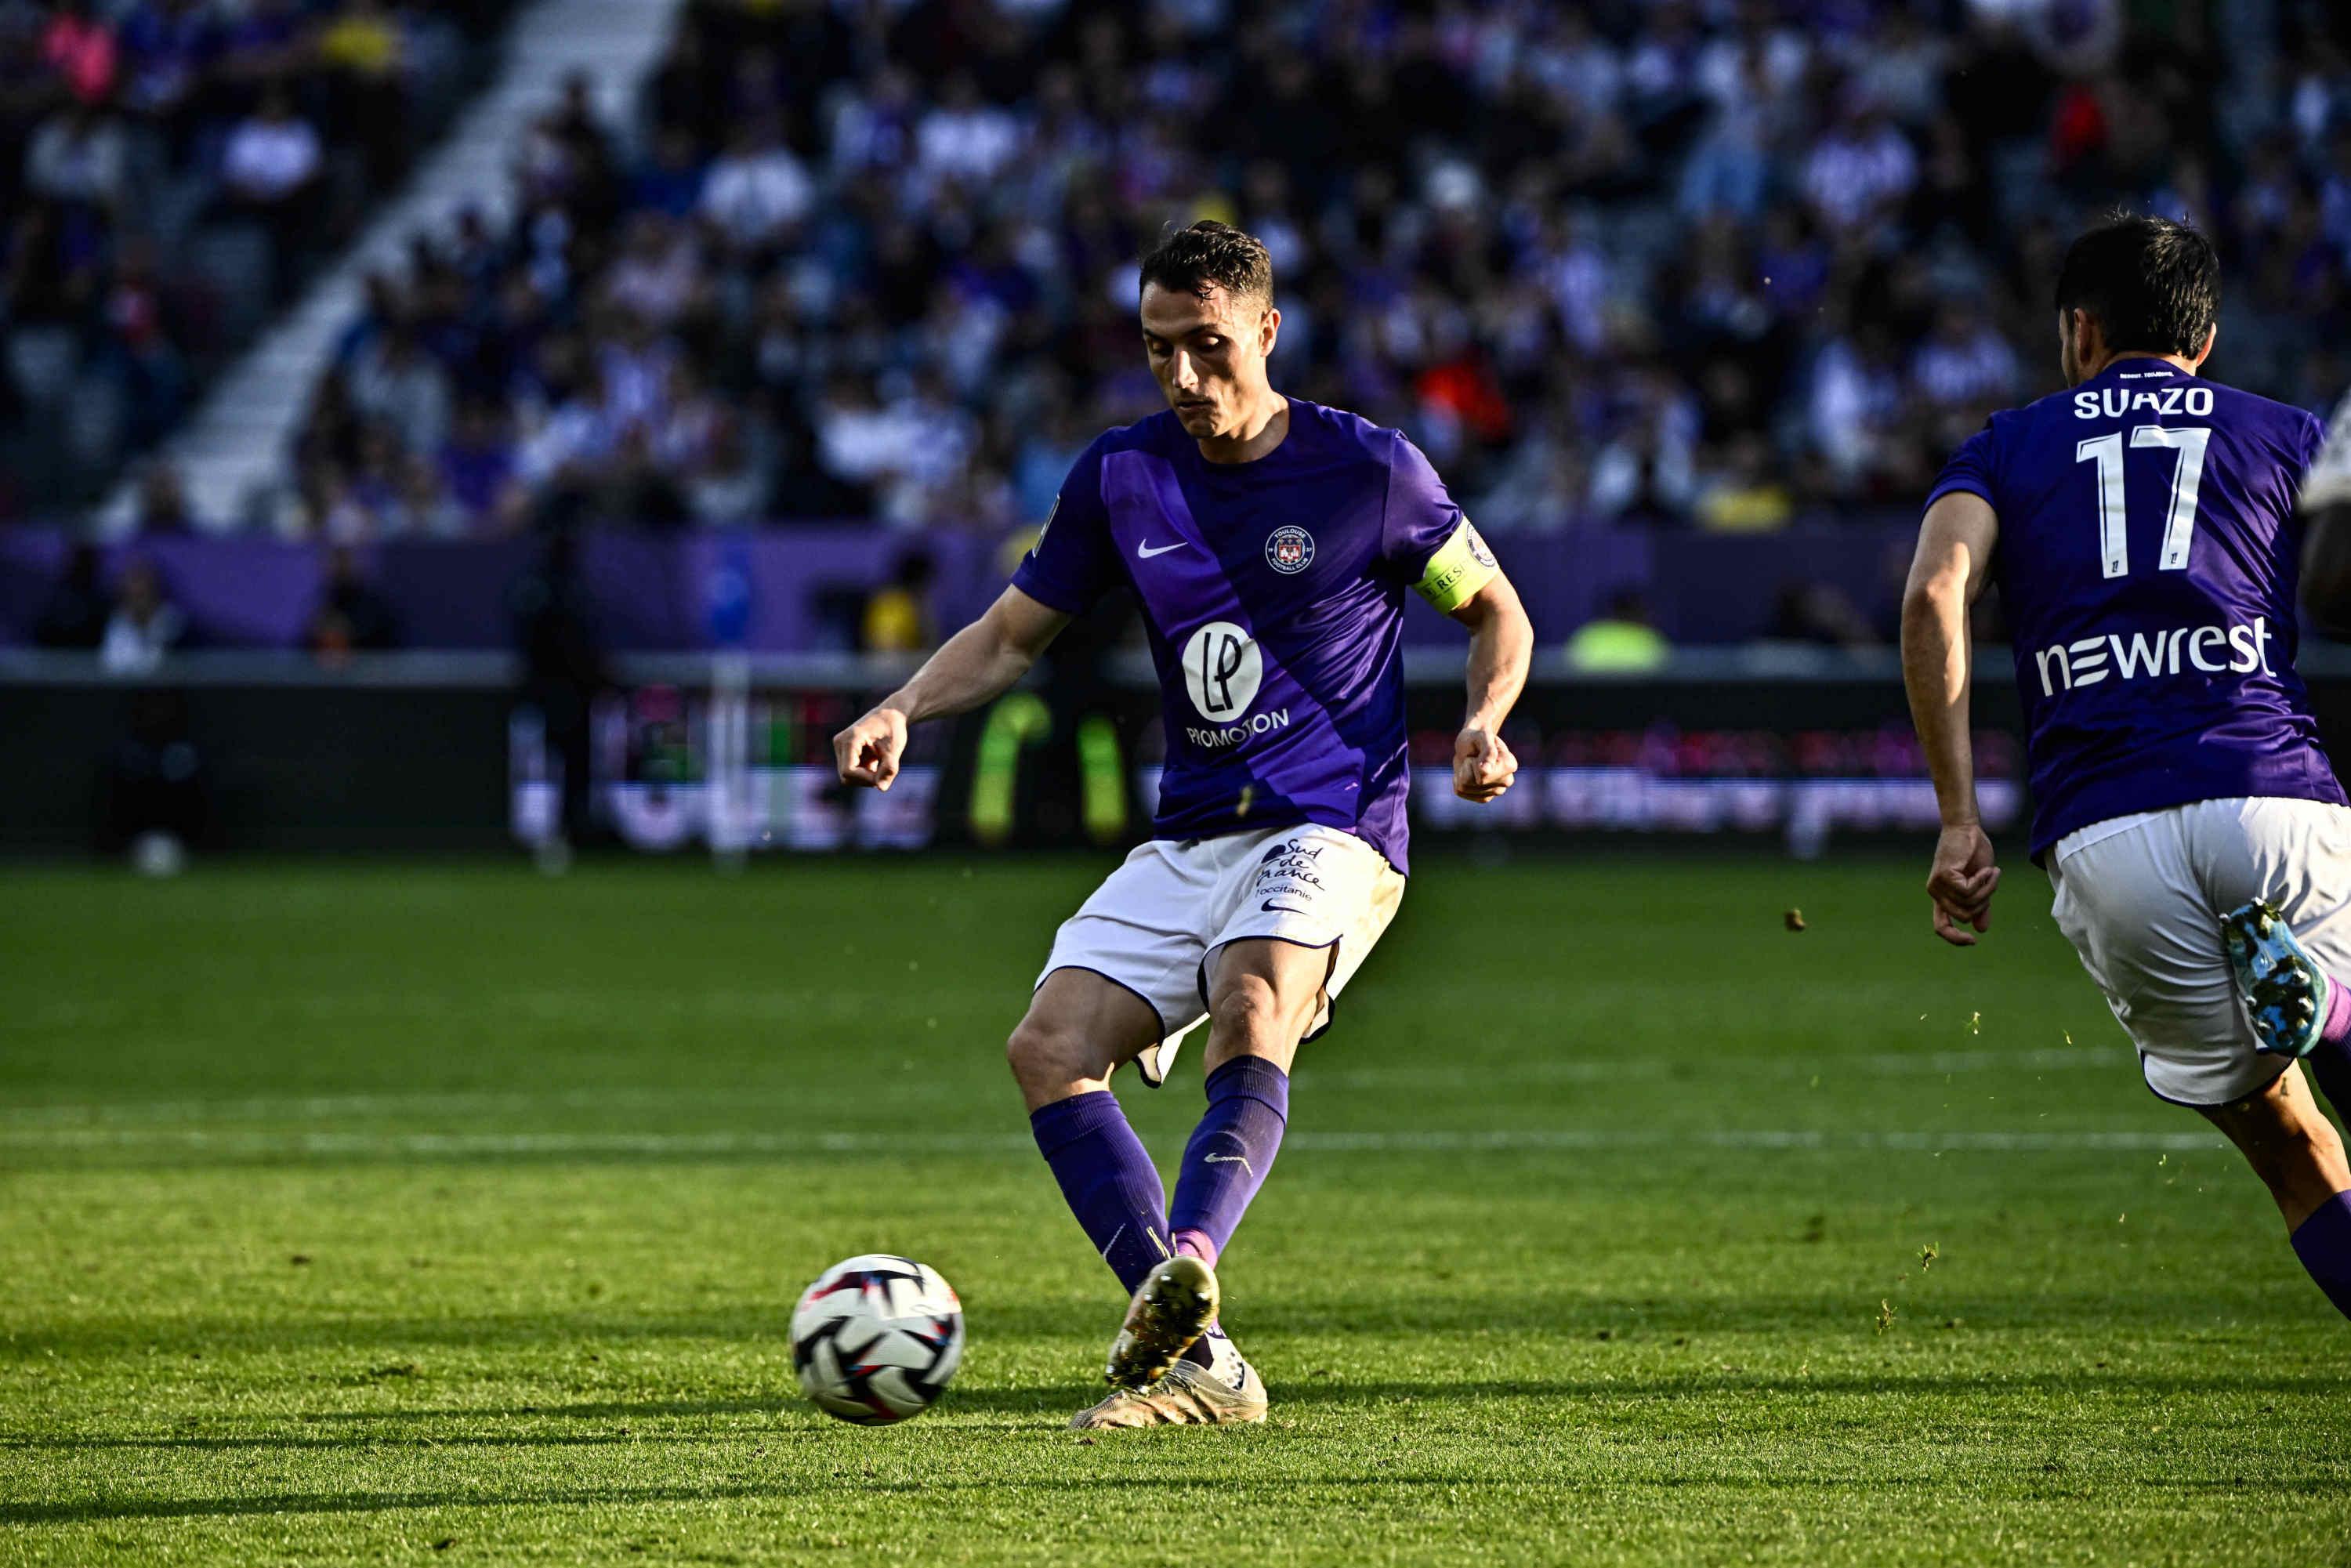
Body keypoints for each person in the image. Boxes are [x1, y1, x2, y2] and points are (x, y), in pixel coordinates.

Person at [833, 222, 1533, 1429]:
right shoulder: (1120, 476)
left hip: (1334, 823)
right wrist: (902, 703)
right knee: (1046, 1046)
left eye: (1209, 348)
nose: (1185, 379)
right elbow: (1009, 637)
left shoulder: (1371, 470)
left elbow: (1497, 610)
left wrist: (1483, 720)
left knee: (1254, 1001)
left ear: (1266, 330)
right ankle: (1199, 1359)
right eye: (1160, 352)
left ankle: (1191, 1255)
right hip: (1195, 830)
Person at [1900, 214, 2351, 1325]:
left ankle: (2310, 1016)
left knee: (2292, 1147)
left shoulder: (2007, 445)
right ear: (2204, 338)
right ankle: (2329, 1007)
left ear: (2081, 331)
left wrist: (1960, 818)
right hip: (2271, 790)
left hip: (2107, 831)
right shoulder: (2283, 431)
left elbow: (1931, 596)